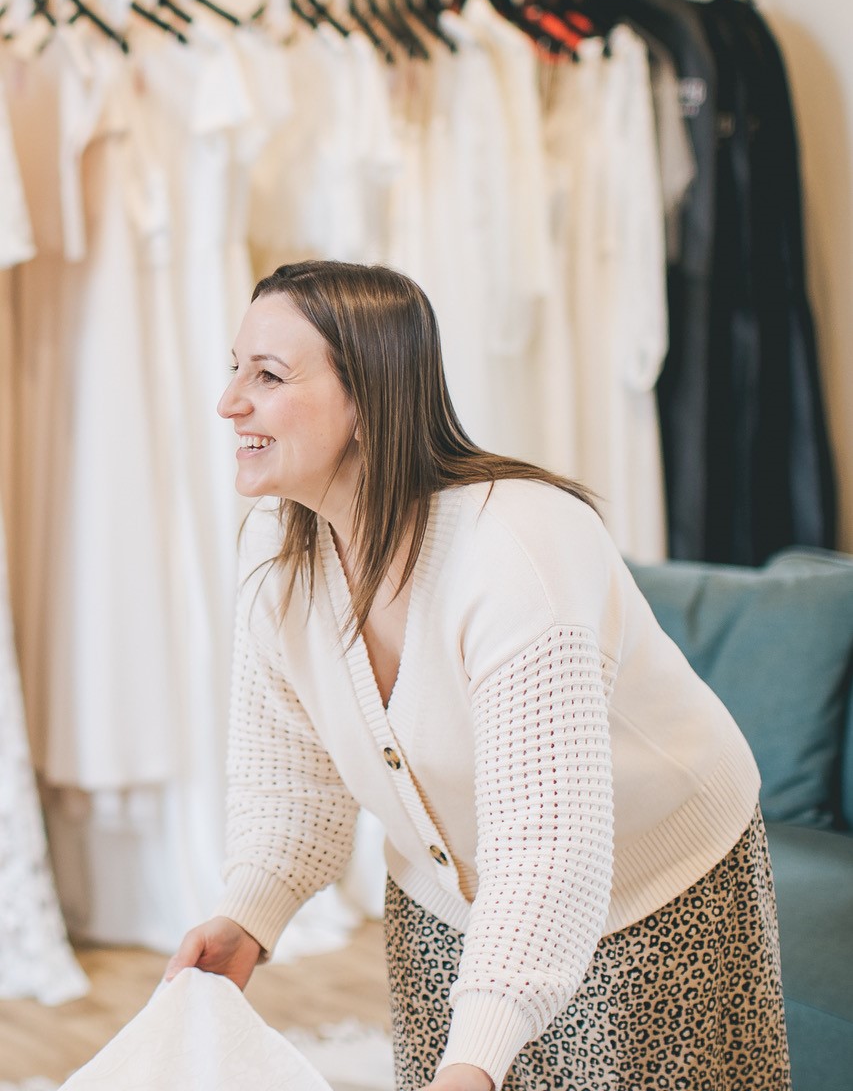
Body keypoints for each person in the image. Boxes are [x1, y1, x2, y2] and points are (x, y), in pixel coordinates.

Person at [166, 259, 791, 1091]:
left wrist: (479, 1056)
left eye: (268, 375)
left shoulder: (516, 549)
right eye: (234, 368)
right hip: (445, 897)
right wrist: (249, 916)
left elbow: (547, 848)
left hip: (652, 881)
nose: (229, 401)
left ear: (369, 399)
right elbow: (293, 785)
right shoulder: (277, 553)